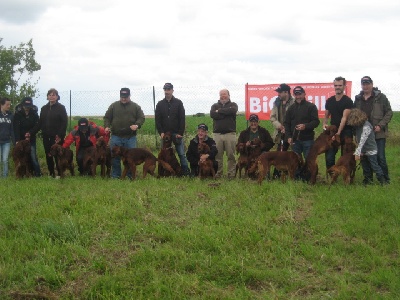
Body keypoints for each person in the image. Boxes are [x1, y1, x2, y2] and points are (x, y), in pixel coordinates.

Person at [354, 76, 392, 184]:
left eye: (367, 83)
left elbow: (389, 112)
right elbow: (354, 115)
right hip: (363, 132)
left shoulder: (381, 97)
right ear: (361, 85)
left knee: (380, 157)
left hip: (378, 133)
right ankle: (368, 180)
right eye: (363, 84)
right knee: (365, 157)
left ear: (372, 84)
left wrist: (381, 125)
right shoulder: (358, 98)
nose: (365, 86)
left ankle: (385, 180)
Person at [104, 87, 145, 179]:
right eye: (122, 96)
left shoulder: (135, 106)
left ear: (129, 96)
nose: (123, 98)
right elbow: (107, 117)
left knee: (131, 158)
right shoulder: (114, 106)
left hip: (130, 137)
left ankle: (130, 175)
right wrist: (106, 126)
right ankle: (116, 175)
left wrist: (137, 125)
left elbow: (141, 118)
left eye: (125, 97)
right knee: (114, 156)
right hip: (116, 136)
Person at [31, 88, 68, 178]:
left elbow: (64, 122)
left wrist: (60, 135)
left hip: (56, 137)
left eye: (53, 95)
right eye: (50, 95)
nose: (51, 97)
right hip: (46, 136)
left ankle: (60, 173)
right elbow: (40, 123)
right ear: (47, 97)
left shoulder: (61, 108)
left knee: (57, 156)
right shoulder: (44, 108)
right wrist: (31, 132)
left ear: (57, 97)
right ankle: (51, 173)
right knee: (48, 155)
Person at [155, 82, 190, 175]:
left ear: (172, 90)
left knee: (181, 154)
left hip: (176, 133)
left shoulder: (178, 103)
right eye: (165, 90)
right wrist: (161, 132)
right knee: (163, 155)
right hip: (165, 134)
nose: (167, 91)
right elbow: (157, 120)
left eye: (169, 89)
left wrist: (180, 133)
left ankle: (185, 172)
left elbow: (182, 118)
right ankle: (163, 173)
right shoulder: (160, 104)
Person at [347, 108, 386, 185]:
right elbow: (358, 139)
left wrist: (358, 152)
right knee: (365, 167)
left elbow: (362, 140)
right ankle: (368, 181)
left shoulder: (366, 126)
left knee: (375, 166)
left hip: (371, 149)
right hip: (363, 150)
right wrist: (360, 151)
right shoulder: (358, 126)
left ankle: (383, 182)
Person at [323, 76, 354, 169]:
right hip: (333, 131)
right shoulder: (330, 100)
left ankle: (346, 177)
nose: (337, 87)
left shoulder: (348, 101)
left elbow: (344, 118)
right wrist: (324, 124)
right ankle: (332, 176)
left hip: (345, 131)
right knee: (329, 157)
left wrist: (338, 133)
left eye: (340, 85)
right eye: (336, 85)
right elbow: (326, 116)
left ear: (344, 86)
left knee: (346, 157)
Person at [284, 86, 320, 160]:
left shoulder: (311, 107)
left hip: (308, 140)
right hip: (295, 141)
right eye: (296, 94)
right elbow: (286, 123)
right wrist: (289, 137)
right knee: (296, 163)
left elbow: (316, 122)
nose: (298, 97)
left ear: (304, 94)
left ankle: (310, 172)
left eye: (300, 94)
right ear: (294, 95)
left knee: (309, 162)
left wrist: (305, 126)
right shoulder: (291, 108)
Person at [210, 89, 238, 179]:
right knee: (218, 156)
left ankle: (231, 175)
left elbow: (232, 111)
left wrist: (220, 111)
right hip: (217, 135)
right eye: (221, 94)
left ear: (229, 95)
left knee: (231, 155)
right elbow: (212, 114)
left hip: (230, 134)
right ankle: (218, 174)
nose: (223, 96)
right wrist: (225, 112)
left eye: (225, 94)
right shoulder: (214, 106)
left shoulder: (233, 105)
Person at [270, 83, 295, 178]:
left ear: (286, 92)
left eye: (280, 92)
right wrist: (279, 126)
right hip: (280, 132)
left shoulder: (294, 102)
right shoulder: (276, 102)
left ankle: (296, 174)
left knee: (294, 153)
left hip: (292, 133)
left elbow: (296, 118)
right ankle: (277, 174)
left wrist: (287, 129)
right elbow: (272, 117)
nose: (278, 94)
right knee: (279, 153)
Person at [13, 97, 42, 177]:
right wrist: (17, 140)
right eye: (25, 105)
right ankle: (20, 174)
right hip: (20, 140)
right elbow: (16, 127)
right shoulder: (17, 114)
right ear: (22, 104)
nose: (27, 107)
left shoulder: (34, 114)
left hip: (31, 139)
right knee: (21, 158)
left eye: (28, 105)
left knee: (33, 157)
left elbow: (38, 125)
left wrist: (30, 133)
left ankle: (37, 174)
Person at [0, 97, 14, 177]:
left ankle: (5, 176)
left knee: (5, 160)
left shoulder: (11, 115)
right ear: (2, 105)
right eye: (7, 104)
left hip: (7, 142)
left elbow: (12, 129)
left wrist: (14, 140)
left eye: (9, 104)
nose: (9, 106)